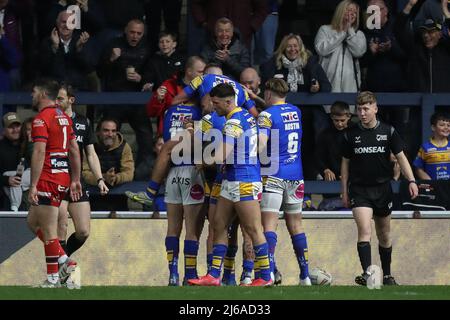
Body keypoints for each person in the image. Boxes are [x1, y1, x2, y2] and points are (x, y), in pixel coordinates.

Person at [188, 83, 272, 287]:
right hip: (231, 179)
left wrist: (202, 161)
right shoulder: (244, 115)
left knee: (253, 229)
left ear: (228, 101)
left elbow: (221, 156)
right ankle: (214, 275)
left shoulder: (233, 123)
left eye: (216, 103)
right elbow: (260, 145)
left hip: (243, 181)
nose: (212, 106)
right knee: (218, 224)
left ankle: (266, 276)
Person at [341, 91, 419, 286]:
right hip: (359, 190)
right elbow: (344, 164)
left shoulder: (388, 131)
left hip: (382, 189)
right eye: (359, 109)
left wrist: (411, 180)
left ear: (375, 108)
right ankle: (368, 274)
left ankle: (387, 275)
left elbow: (401, 157)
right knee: (364, 230)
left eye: (366, 109)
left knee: (384, 234)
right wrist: (344, 190)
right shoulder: (350, 134)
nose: (362, 113)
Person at [26, 79, 82, 288]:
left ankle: (53, 279)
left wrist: (33, 185)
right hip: (62, 175)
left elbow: (39, 151)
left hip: (48, 177)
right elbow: (75, 150)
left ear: (42, 94)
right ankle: (64, 260)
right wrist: (75, 179)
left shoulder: (42, 119)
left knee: (49, 231)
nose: (31, 95)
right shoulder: (65, 117)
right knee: (32, 222)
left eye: (33, 91)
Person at [258, 78, 311, 286]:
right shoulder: (296, 111)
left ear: (269, 94)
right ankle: (305, 275)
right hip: (296, 176)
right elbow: (278, 115)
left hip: (273, 175)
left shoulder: (265, 116)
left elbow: (261, 144)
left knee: (269, 226)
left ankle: (269, 273)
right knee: (296, 226)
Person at [55, 84, 109, 282]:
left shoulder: (83, 122)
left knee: (83, 231)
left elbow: (91, 153)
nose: (57, 102)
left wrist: (100, 179)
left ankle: (62, 260)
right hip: (58, 181)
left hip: (77, 183)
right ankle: (58, 274)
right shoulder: (52, 121)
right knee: (61, 224)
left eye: (60, 98)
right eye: (56, 99)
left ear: (71, 100)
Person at [97, 19, 153, 178]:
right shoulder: (113, 44)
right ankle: (108, 172)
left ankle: (141, 175)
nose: (135, 36)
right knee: (108, 135)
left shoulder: (147, 47)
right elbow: (99, 71)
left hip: (137, 100)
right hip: (115, 99)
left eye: (139, 33)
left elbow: (151, 72)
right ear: (125, 31)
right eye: (132, 32)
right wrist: (111, 59)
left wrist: (141, 78)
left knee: (147, 137)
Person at [160, 102, 205, 286]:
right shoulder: (199, 112)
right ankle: (190, 274)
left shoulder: (170, 111)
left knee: (172, 228)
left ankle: (172, 273)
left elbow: (163, 142)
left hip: (172, 172)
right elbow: (200, 144)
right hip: (192, 171)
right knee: (192, 230)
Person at [314, 0, 367, 103]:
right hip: (328, 82)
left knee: (347, 114)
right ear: (340, 11)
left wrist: (350, 31)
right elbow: (322, 50)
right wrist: (342, 33)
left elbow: (359, 51)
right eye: (348, 10)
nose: (352, 13)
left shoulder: (358, 34)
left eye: (355, 12)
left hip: (350, 85)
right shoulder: (325, 30)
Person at [82, 118, 134, 211]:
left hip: (119, 197)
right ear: (98, 132)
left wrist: (115, 178)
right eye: (106, 130)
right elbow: (84, 173)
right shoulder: (89, 146)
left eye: (113, 131)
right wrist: (103, 177)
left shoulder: (124, 147)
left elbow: (129, 173)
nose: (110, 134)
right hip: (93, 197)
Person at [146, 55, 206, 136]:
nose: (204, 75)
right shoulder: (169, 85)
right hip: (169, 134)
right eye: (200, 72)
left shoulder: (205, 89)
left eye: (204, 72)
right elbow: (151, 113)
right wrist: (158, 99)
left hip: (195, 135)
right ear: (189, 71)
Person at [38, 11, 94, 91]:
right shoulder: (47, 42)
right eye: (63, 22)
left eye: (70, 22)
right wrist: (55, 47)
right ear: (57, 23)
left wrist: (79, 49)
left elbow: (89, 68)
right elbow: (43, 68)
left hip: (78, 91)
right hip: (54, 92)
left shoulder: (82, 41)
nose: (66, 25)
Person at [315, 101, 352, 211]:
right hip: (332, 178)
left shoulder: (355, 132)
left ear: (349, 116)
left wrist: (349, 174)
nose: (339, 124)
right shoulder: (325, 134)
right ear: (331, 117)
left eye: (342, 120)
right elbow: (318, 156)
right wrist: (325, 169)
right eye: (336, 120)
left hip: (352, 178)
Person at [413, 112, 450, 180]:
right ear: (433, 127)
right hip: (433, 188)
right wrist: (430, 182)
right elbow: (418, 169)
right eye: (442, 125)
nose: (446, 128)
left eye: (448, 125)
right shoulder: (425, 147)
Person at [0, 112, 25, 211]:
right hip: (5, 199)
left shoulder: (27, 144)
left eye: (17, 126)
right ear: (4, 130)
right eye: (11, 127)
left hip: (28, 199)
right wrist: (6, 180)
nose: (15, 130)